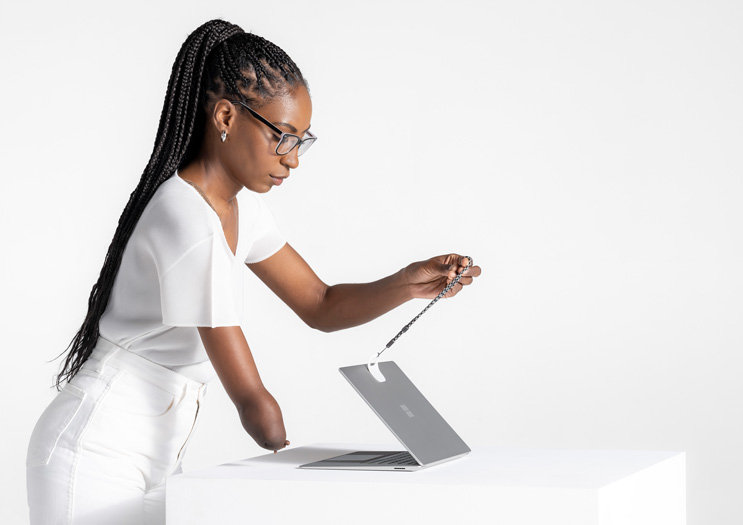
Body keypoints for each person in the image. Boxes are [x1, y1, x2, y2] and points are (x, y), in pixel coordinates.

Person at [25, 17, 482, 525]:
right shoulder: (187, 217)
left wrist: (406, 284)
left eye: (302, 141)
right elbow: (253, 403)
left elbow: (320, 304)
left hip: (154, 452)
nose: (293, 159)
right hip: (95, 456)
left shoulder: (240, 207)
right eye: (283, 137)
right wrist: (320, 472)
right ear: (225, 116)